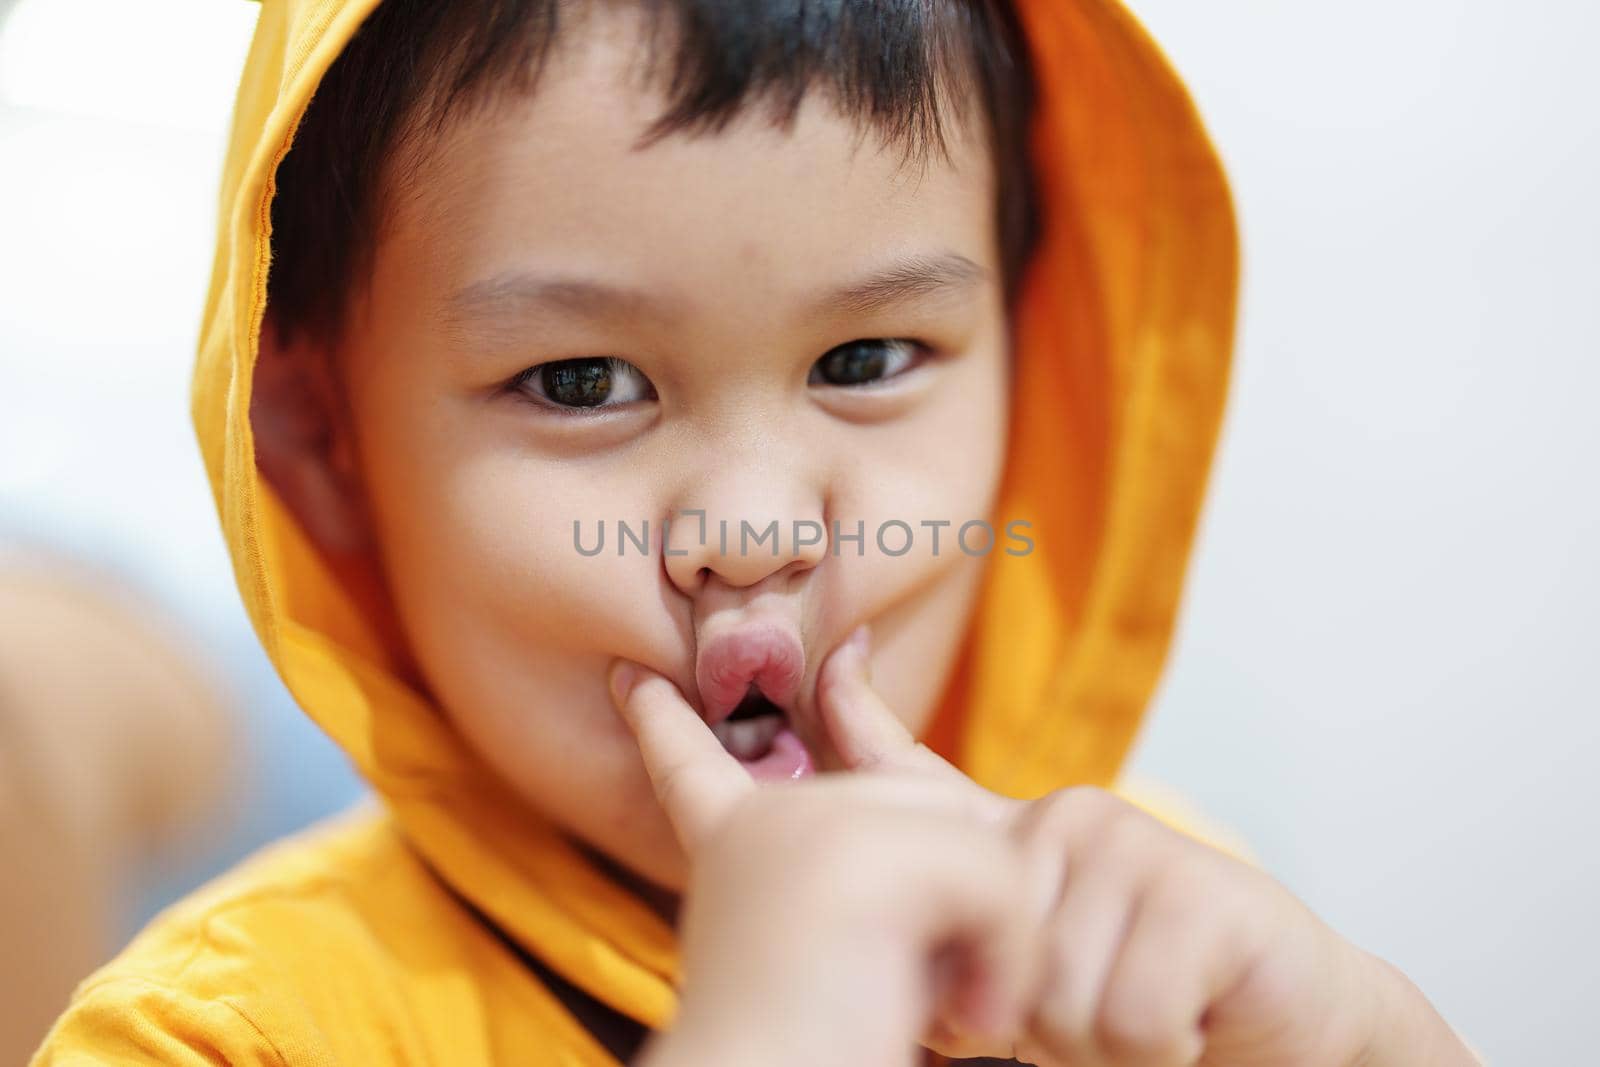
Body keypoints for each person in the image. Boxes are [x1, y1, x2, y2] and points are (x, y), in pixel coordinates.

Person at [31, 0, 1479, 1063]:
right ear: (324, 447)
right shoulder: (221, 1035)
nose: (751, 532)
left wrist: (1363, 1038)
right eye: (583, 383)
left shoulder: (1143, 939)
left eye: (866, 362)